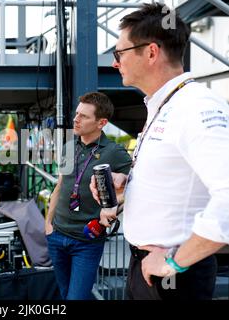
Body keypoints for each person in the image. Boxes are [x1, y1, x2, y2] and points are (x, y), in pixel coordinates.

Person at [90, 3, 229, 300]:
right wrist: (128, 186)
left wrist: (174, 261)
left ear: (151, 52)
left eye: (120, 53)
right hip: (149, 267)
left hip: (174, 275)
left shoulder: (196, 107)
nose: (115, 63)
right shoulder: (166, 106)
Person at [45, 92, 132, 300]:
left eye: (84, 116)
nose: (76, 119)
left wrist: (112, 212)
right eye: (77, 113)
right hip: (57, 235)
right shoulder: (67, 147)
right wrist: (47, 223)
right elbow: (60, 186)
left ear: (101, 122)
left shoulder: (115, 152)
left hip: (87, 241)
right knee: (64, 294)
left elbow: (136, 189)